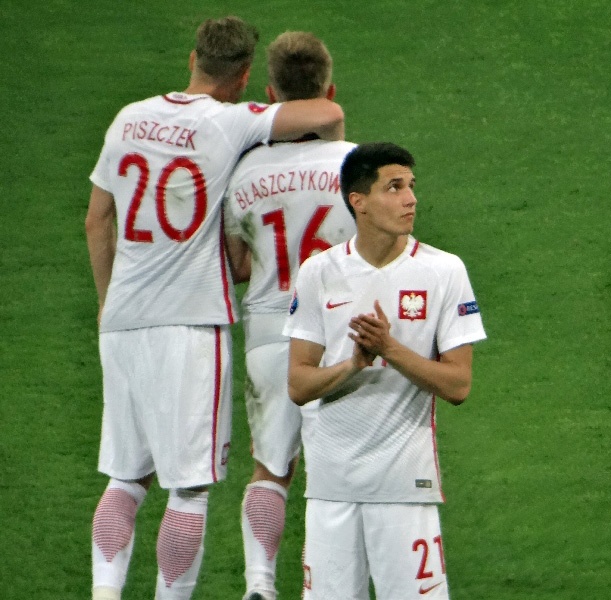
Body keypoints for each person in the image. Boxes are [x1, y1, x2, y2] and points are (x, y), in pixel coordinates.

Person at [84, 16, 344, 600]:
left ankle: (103, 594)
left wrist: (107, 303)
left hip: (122, 320)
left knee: (124, 478)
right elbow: (323, 115)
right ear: (246, 76)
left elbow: (96, 218)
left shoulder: (128, 117)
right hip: (190, 324)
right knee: (188, 489)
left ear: (191, 57)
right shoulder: (229, 123)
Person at [283, 142, 486, 599]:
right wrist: (355, 364)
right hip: (331, 487)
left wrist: (389, 349)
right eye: (394, 187)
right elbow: (298, 384)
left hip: (404, 488)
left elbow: (458, 384)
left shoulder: (443, 271)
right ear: (359, 202)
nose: (410, 198)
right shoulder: (319, 273)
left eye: (411, 186)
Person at [222, 31, 357, 600]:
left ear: (272, 95)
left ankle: (259, 584)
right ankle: (325, 587)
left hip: (269, 331)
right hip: (339, 335)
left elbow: (238, 266)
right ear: (329, 91)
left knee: (270, 467)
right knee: (338, 474)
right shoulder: (358, 165)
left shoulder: (245, 173)